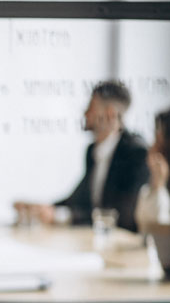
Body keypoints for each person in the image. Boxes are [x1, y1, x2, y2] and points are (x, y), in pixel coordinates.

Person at [15, 81, 150, 233]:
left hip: (124, 246)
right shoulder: (93, 151)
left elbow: (118, 215)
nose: (85, 114)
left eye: (91, 107)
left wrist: (60, 216)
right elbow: (79, 199)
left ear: (110, 113)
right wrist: (45, 208)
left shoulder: (136, 154)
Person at [135, 108, 170, 229]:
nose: (152, 146)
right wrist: (157, 185)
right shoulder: (155, 180)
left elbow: (158, 230)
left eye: (158, 139)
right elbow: (146, 229)